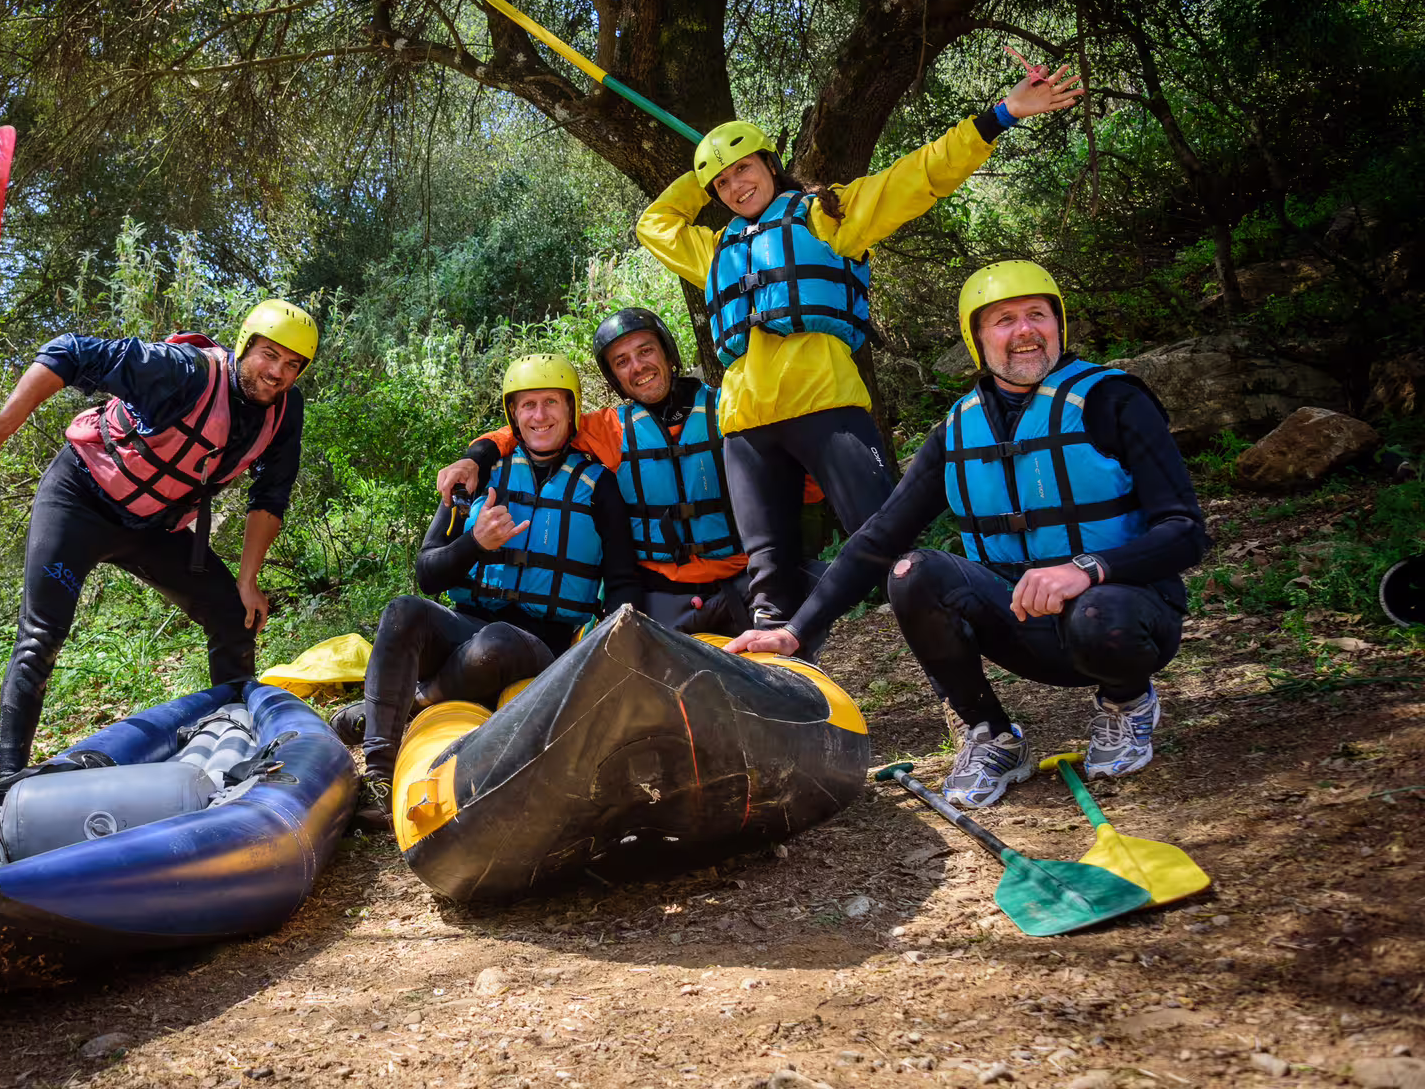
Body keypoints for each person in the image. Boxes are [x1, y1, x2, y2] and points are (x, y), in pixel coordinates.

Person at [636, 65, 1084, 653]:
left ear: (770, 163)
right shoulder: (713, 248)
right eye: (721, 184)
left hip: (826, 404)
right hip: (745, 427)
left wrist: (1001, 115)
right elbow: (654, 224)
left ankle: (963, 694)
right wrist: (706, 166)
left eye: (743, 168)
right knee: (769, 581)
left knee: (893, 554)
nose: (735, 187)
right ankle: (787, 701)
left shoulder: (828, 215)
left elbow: (917, 176)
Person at [745, 262, 1210, 807]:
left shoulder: (1115, 401)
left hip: (1121, 614)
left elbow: (1185, 532)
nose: (1025, 331)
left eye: (1037, 315)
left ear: (1059, 324)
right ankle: (992, 735)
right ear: (977, 339)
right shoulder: (959, 427)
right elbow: (878, 537)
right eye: (1004, 320)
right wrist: (795, 633)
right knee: (911, 572)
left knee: (1097, 613)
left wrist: (1085, 569)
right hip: (1021, 624)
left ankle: (1127, 702)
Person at [0, 299, 317, 789]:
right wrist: (5, 421)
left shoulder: (283, 412)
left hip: (154, 526)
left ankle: (234, 751)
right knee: (42, 636)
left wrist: (248, 579)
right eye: (269, 355)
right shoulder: (181, 372)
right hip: (81, 499)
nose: (277, 373)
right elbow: (70, 352)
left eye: (292, 365)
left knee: (233, 614)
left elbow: (270, 495)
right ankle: (5, 783)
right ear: (245, 346)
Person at [339, 352, 643, 830]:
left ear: (571, 409)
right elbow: (428, 573)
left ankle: (419, 700)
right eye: (527, 405)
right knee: (402, 611)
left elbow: (623, 579)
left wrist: (609, 650)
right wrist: (475, 543)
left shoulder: (598, 485)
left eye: (550, 404)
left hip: (539, 643)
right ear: (513, 415)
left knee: (497, 641)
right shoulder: (477, 476)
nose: (539, 416)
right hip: (465, 625)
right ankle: (378, 774)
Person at [434, 308, 826, 635]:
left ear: (668, 353)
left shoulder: (732, 406)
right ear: (614, 377)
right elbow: (536, 428)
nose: (638, 367)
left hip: (746, 585)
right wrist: (477, 457)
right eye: (622, 362)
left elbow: (806, 485)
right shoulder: (608, 430)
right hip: (662, 598)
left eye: (645, 351)